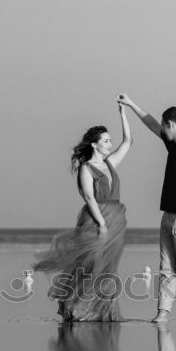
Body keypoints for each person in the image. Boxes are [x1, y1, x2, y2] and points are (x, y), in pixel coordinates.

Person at [33, 104, 131, 321]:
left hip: (116, 219)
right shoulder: (86, 168)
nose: (110, 144)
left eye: (109, 140)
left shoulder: (110, 163)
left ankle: (100, 311)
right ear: (95, 145)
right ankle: (77, 308)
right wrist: (102, 225)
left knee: (108, 267)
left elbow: (128, 142)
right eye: (106, 141)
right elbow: (89, 197)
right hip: (97, 220)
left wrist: (123, 113)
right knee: (90, 264)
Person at [117, 93, 176, 322]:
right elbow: (151, 123)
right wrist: (131, 104)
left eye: (164, 126)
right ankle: (162, 313)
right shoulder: (173, 144)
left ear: (172, 124)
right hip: (168, 215)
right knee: (166, 268)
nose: (162, 131)